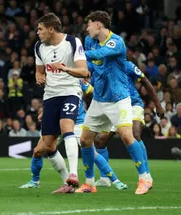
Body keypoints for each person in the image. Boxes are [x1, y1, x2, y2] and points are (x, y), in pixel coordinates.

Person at [77, 11, 151, 194]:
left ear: (99, 25)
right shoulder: (89, 41)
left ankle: (145, 178)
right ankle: (89, 183)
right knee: (85, 140)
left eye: (89, 24)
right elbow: (93, 64)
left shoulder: (116, 41)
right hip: (99, 98)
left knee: (127, 135)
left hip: (119, 98)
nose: (87, 28)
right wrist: (85, 73)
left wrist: (76, 54)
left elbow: (100, 54)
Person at [19, 80, 128, 191]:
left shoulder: (76, 78)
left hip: (77, 122)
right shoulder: (54, 79)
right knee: (38, 151)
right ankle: (35, 181)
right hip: (57, 122)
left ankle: (115, 181)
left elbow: (93, 92)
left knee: (92, 153)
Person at [34, 13, 89, 193]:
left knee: (66, 126)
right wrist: (40, 78)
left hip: (70, 92)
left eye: (40, 29)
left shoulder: (73, 42)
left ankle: (74, 173)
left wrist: (65, 68)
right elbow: (39, 72)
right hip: (50, 96)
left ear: (51, 29)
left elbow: (84, 72)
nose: (38, 32)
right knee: (48, 145)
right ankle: (68, 183)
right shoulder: (39, 47)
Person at [94, 60, 164, 187]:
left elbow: (145, 82)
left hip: (133, 104)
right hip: (114, 108)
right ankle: (105, 179)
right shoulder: (101, 67)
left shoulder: (128, 65)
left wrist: (158, 105)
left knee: (135, 134)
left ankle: (146, 175)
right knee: (100, 141)